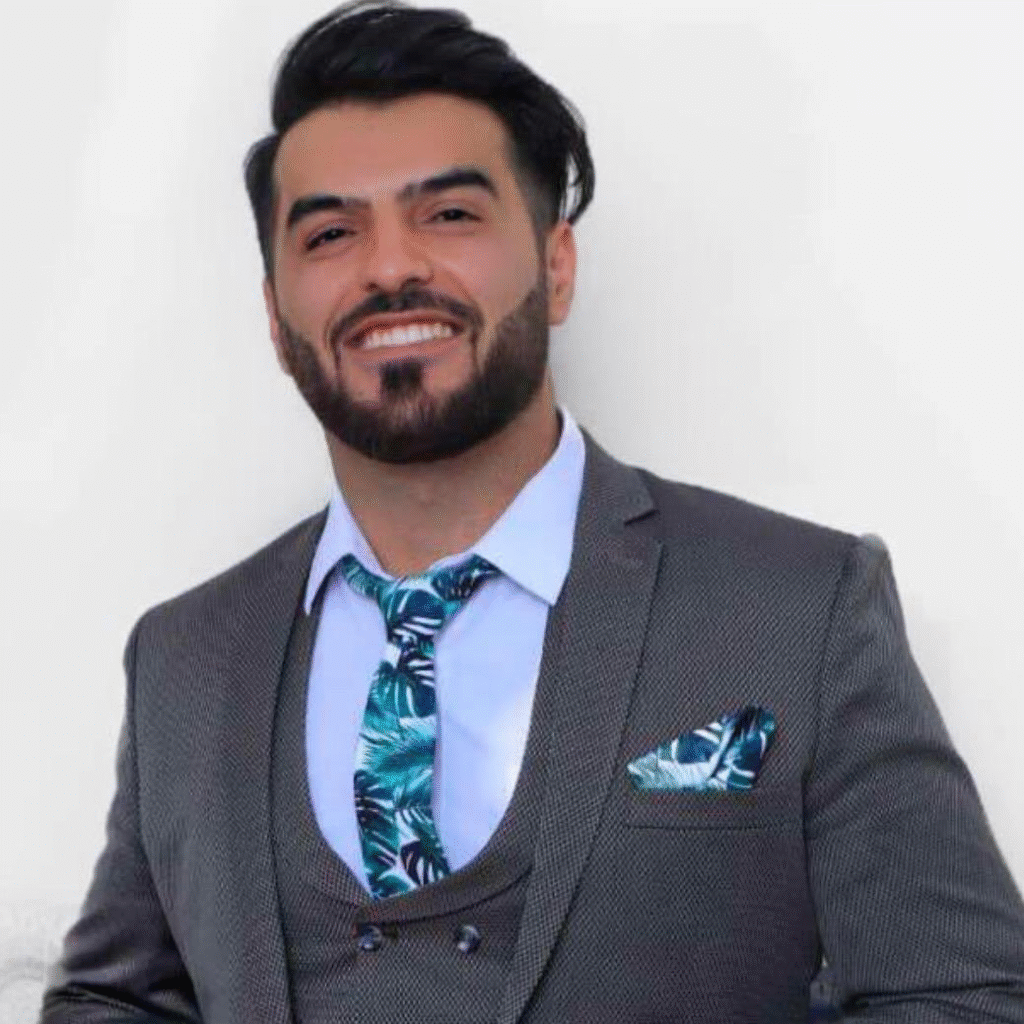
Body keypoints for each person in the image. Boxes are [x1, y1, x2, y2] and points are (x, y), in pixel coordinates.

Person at [41, 2, 1024, 1021]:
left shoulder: (798, 608)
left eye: (449, 215)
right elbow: (116, 1000)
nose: (390, 267)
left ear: (556, 268)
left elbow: (961, 996)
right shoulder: (184, 658)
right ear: (275, 315)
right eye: (331, 233)